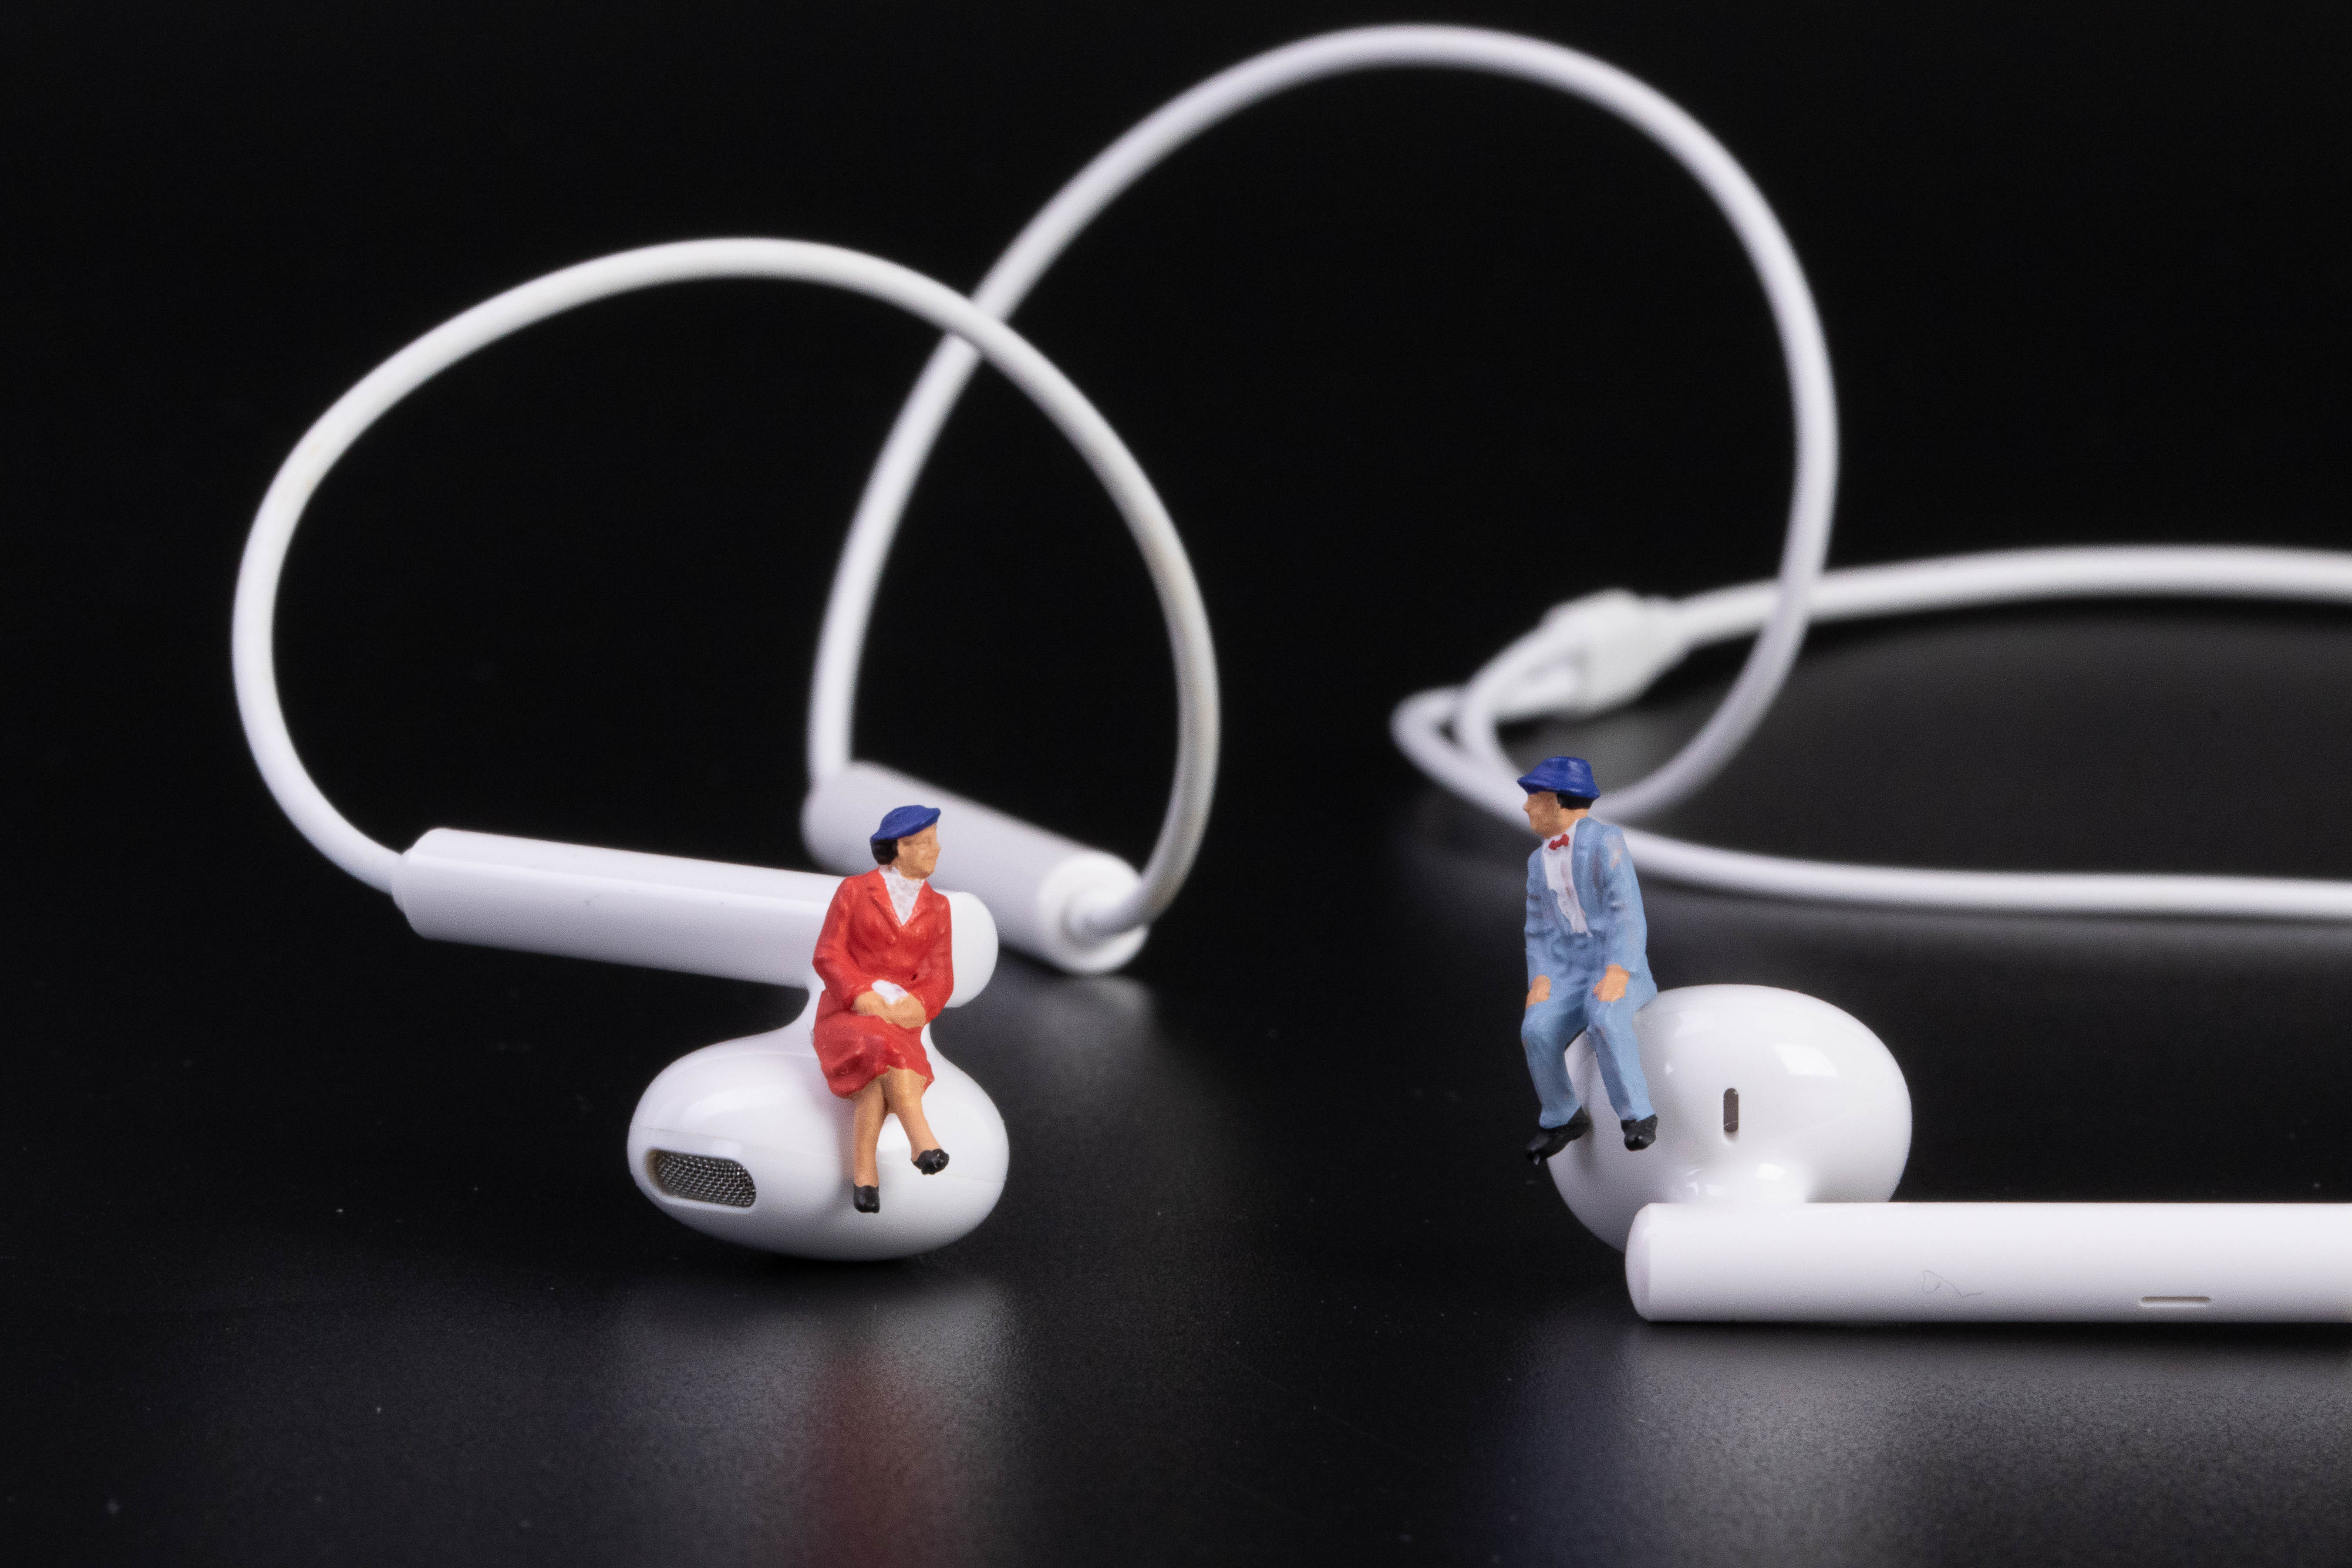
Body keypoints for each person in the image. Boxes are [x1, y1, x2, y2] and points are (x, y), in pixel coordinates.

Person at [810, 803, 955, 1214]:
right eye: (925, 843)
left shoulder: (939, 907)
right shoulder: (855, 890)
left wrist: (920, 1005)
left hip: (899, 1016)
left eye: (935, 841)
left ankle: (865, 1178)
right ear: (899, 847)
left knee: (877, 1079)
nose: (936, 849)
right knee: (884, 1046)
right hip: (847, 1013)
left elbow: (941, 974)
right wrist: (859, 994)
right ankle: (922, 1140)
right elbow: (828, 954)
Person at [1516, 755, 1660, 1162]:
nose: (1527, 806)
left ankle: (1638, 1114)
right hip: (1567, 972)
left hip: (1615, 963)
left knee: (1606, 1018)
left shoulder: (1605, 841)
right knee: (1537, 1028)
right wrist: (1541, 978)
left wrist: (1618, 969)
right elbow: (1537, 928)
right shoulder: (1537, 862)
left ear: (1560, 801)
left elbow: (1626, 911)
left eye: (1535, 797)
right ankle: (1562, 1116)